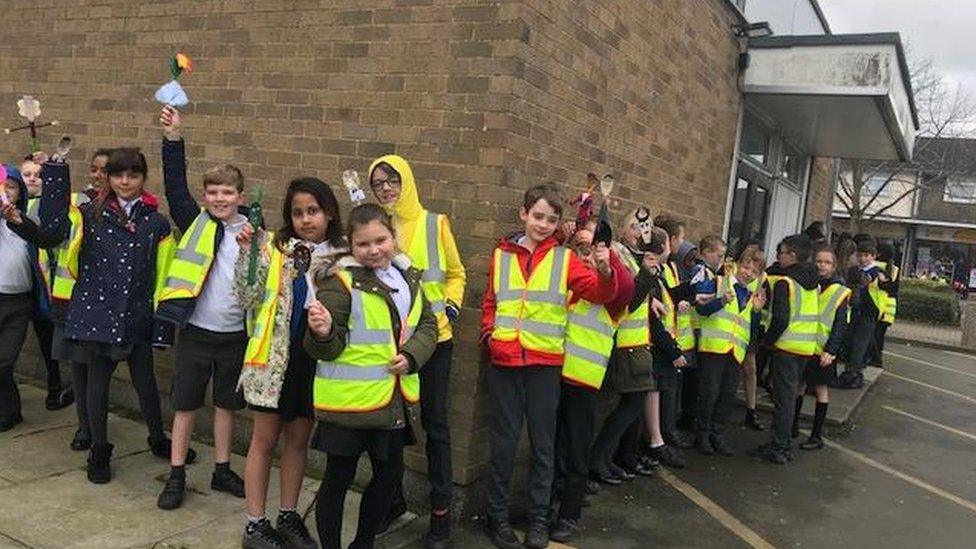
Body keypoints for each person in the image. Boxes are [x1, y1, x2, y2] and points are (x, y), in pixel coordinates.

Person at [481, 183, 616, 549]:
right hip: (505, 363)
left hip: (544, 365)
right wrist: (490, 333)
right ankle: (497, 518)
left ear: (559, 223)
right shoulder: (501, 254)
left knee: (543, 447)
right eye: (537, 216)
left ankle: (538, 520)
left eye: (551, 219)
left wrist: (605, 271)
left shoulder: (564, 258)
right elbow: (491, 300)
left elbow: (600, 293)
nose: (542, 224)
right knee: (505, 447)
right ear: (524, 214)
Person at [39, 147, 176, 483]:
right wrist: (55, 174)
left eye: (133, 175)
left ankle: (157, 437)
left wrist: (162, 324)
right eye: (118, 175)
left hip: (138, 314)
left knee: (145, 381)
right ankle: (99, 448)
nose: (125, 181)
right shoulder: (88, 213)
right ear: (108, 178)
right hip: (97, 313)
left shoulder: (157, 222)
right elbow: (52, 227)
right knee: (98, 385)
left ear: (143, 178)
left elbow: (164, 273)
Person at [306, 203, 438, 549]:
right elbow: (324, 348)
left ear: (393, 237)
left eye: (381, 240)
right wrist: (321, 332)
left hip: (392, 401)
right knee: (337, 480)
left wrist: (412, 356)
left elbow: (427, 324)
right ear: (351, 244)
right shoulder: (340, 283)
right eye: (363, 244)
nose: (374, 249)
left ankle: (363, 543)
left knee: (388, 478)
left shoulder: (409, 278)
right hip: (349, 406)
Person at [236, 178, 345, 549]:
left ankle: (287, 515)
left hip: (313, 360)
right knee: (264, 440)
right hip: (272, 359)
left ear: (329, 212)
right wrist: (247, 256)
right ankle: (254, 523)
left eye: (312, 211)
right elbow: (248, 296)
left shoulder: (343, 256)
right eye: (297, 213)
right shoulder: (272, 248)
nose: (305, 219)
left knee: (298, 441)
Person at [367, 155, 466, 548]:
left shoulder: (434, 223)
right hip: (392, 343)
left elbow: (456, 273)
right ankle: (392, 501)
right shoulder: (376, 226)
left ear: (406, 179)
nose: (386, 188)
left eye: (392, 180)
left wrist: (453, 306)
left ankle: (440, 515)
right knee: (389, 424)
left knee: (435, 425)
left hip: (436, 340)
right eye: (378, 183)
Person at [154, 106, 246, 509]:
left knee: (227, 405)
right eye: (212, 193)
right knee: (185, 405)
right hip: (195, 332)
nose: (219, 199)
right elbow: (175, 186)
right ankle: (176, 474)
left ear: (240, 197)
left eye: (227, 193)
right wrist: (174, 139)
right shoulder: (195, 222)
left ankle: (222, 468)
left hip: (234, 336)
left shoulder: (254, 233)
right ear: (205, 197)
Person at [550, 223, 632, 543]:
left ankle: (569, 514)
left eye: (591, 249)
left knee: (576, 447)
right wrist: (563, 235)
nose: (586, 256)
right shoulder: (571, 281)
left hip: (583, 381)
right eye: (581, 249)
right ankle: (552, 500)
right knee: (552, 443)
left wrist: (606, 261)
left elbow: (624, 287)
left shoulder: (612, 291)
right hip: (552, 374)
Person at [751, 234, 818, 464]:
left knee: (784, 399)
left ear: (792, 255)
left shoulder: (785, 282)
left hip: (786, 347)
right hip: (805, 347)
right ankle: (782, 443)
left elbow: (780, 319)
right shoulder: (813, 281)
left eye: (782, 252)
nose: (778, 256)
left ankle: (780, 446)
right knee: (788, 397)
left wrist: (767, 342)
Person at [693, 243, 764, 456]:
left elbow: (748, 327)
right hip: (713, 348)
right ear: (738, 264)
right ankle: (702, 434)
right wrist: (721, 301)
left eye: (754, 271)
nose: (748, 274)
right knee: (709, 392)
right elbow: (702, 309)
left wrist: (758, 313)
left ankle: (717, 433)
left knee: (727, 395)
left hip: (736, 352)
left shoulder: (752, 296)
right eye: (746, 267)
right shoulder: (719, 282)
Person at [0, 165, 57, 430]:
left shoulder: (26, 222)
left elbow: (42, 242)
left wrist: (16, 220)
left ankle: (10, 411)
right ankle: (9, 411)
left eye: (10, 187)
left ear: (19, 193)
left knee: (6, 358)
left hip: (19, 302)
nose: (4, 192)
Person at [19, 157, 73, 411]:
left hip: (46, 283)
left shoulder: (50, 207)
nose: (31, 178)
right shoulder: (13, 205)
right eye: (26, 174)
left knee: (50, 337)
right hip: (20, 283)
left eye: (37, 175)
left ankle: (57, 385)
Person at [794, 245, 850, 450]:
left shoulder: (840, 292)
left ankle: (816, 436)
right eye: (819, 261)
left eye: (827, 262)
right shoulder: (811, 285)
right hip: (804, 345)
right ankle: (792, 426)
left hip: (823, 350)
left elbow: (840, 325)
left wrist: (832, 351)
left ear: (834, 267)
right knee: (799, 385)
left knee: (820, 389)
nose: (822, 265)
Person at [835, 239, 883, 389]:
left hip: (869, 312)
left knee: (860, 343)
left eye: (867, 255)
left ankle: (853, 372)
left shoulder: (877, 273)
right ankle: (855, 368)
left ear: (873, 256)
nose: (863, 258)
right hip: (855, 311)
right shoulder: (855, 270)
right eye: (860, 255)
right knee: (851, 340)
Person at [869, 241, 899, 368]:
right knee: (879, 337)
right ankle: (877, 358)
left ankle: (874, 359)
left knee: (870, 336)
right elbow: (894, 289)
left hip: (874, 305)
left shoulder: (872, 266)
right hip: (888, 309)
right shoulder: (894, 269)